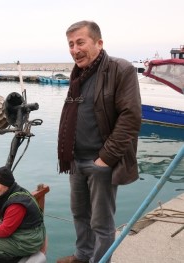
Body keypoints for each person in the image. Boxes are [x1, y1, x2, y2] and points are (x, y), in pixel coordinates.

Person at [56, 20, 142, 263]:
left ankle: (100, 261)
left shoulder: (120, 69)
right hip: (75, 159)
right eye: (71, 44)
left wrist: (106, 158)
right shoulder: (78, 75)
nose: (74, 49)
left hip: (100, 161)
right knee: (79, 214)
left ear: (99, 43)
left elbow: (131, 117)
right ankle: (82, 257)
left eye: (80, 42)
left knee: (101, 222)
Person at [0, 166, 46, 263]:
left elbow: (5, 230)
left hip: (31, 240)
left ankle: (14, 258)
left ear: (5, 184)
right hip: (31, 233)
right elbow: (1, 208)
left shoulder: (16, 205)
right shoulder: (14, 191)